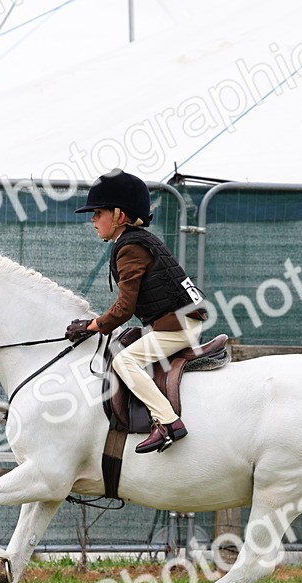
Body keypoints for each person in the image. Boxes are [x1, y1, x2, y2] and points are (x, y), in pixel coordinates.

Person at [68, 169, 208, 453]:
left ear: (119, 215)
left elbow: (123, 309)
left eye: (98, 212)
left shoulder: (130, 247)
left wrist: (92, 326)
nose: (93, 219)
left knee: (124, 362)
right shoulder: (136, 240)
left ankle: (168, 422)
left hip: (178, 326)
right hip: (177, 321)